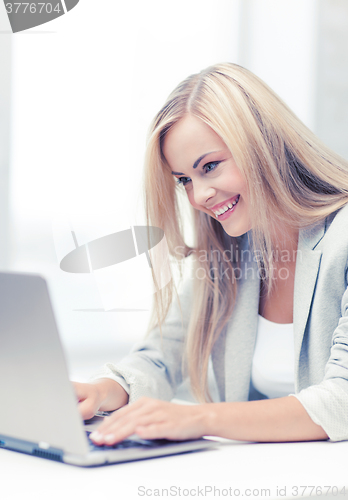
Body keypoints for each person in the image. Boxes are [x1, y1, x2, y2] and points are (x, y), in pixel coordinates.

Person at [73, 62, 348, 445]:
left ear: (263, 144)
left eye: (211, 166)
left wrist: (200, 418)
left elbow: (342, 399)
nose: (198, 196)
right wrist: (103, 390)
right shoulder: (231, 250)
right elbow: (160, 357)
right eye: (185, 180)